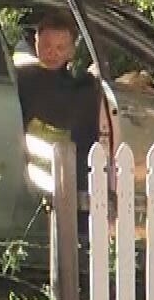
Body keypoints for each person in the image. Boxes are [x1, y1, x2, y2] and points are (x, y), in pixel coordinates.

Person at [16, 10, 103, 177]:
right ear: (36, 43)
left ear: (71, 51)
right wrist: (93, 79)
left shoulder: (68, 82)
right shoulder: (28, 78)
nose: (52, 53)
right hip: (38, 171)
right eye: (46, 45)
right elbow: (65, 107)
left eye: (60, 48)